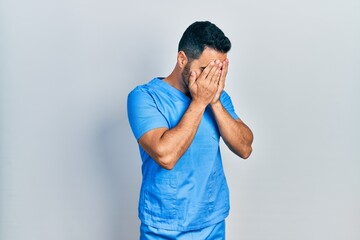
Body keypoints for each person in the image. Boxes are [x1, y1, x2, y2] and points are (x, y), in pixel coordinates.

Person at [127, 21, 253, 239]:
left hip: (212, 223)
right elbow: (166, 155)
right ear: (182, 59)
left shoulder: (218, 98)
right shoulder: (144, 97)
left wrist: (213, 101)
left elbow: (245, 147)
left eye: (219, 69)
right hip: (163, 227)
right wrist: (200, 102)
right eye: (206, 69)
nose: (212, 78)